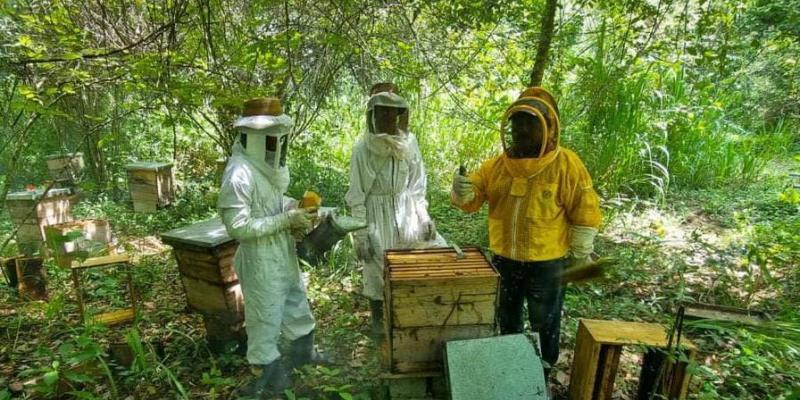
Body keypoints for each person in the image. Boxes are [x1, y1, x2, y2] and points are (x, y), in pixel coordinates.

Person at [450, 87, 601, 376]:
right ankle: (512, 373)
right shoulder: (497, 166)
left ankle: (541, 376)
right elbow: (472, 198)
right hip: (505, 259)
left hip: (547, 264)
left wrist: (581, 252)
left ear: (548, 127)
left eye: (530, 123)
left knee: (545, 322)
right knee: (507, 320)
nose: (521, 129)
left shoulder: (566, 165)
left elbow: (584, 210)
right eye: (517, 122)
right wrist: (462, 189)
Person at [218, 97, 326, 398]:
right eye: (270, 140)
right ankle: (268, 376)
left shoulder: (263, 169)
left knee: (295, 299)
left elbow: (272, 203)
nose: (276, 147)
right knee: (264, 316)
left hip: (280, 248)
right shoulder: (238, 174)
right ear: (254, 138)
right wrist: (285, 219)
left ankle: (304, 354)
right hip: (258, 256)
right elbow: (238, 226)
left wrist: (295, 208)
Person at [346, 83, 445, 336]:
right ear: (373, 114)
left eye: (393, 111)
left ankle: (410, 318)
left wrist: (424, 217)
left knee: (420, 259)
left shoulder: (410, 142)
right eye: (383, 111)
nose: (388, 117)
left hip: (406, 210)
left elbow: (417, 185)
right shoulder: (362, 149)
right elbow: (357, 196)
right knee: (377, 269)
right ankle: (380, 326)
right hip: (376, 216)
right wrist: (361, 235)